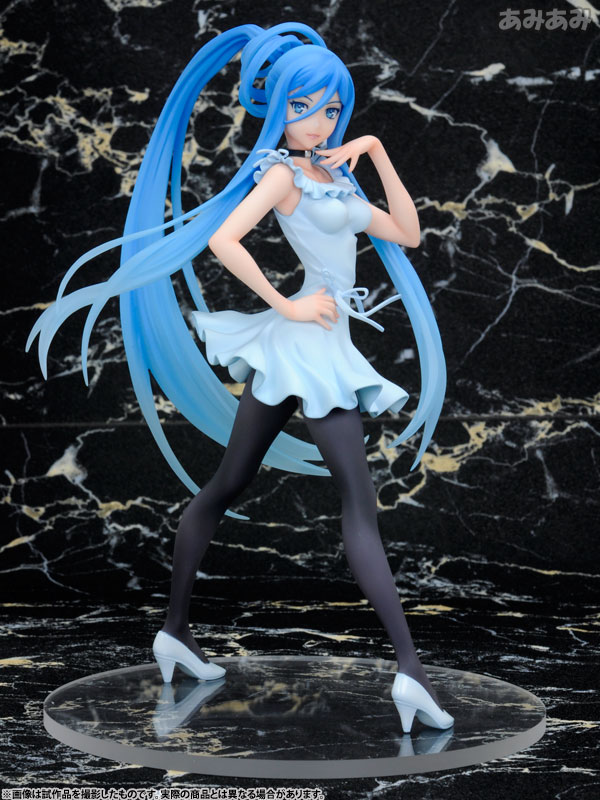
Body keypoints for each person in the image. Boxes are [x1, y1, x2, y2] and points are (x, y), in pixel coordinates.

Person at [27, 22, 452, 734]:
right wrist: (286, 303)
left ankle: (174, 634)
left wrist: (376, 149)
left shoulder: (336, 174)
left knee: (232, 484)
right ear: (277, 108)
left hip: (319, 347)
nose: (317, 121)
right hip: (303, 347)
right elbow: (225, 239)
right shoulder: (282, 174)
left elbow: (407, 233)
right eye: (302, 107)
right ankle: (409, 671)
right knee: (346, 504)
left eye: (328, 108)